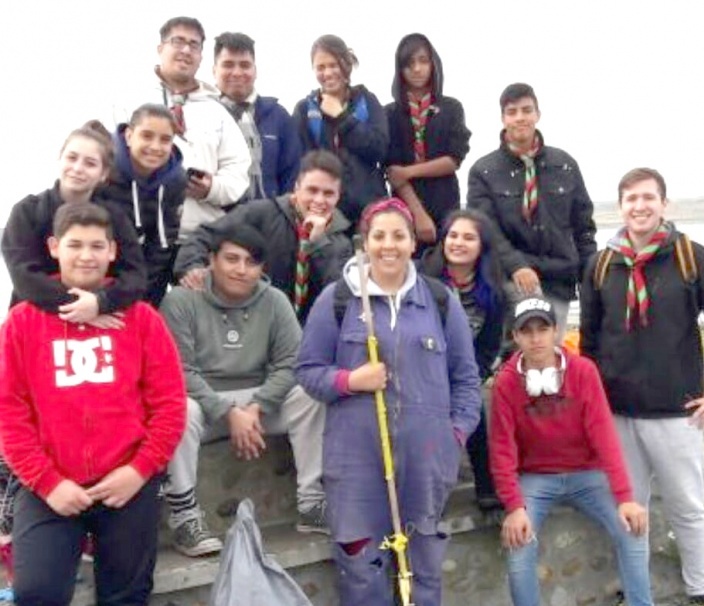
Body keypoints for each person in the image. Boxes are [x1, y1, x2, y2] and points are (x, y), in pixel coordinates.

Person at [295, 198, 482, 606]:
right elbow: (308, 370)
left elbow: (467, 379)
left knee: (424, 567)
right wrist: (350, 380)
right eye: (379, 236)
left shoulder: (440, 301)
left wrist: (454, 436)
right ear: (365, 242)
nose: (389, 246)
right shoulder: (338, 299)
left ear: (413, 242)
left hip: (426, 458)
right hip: (355, 458)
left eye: (399, 235)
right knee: (361, 566)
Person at [0, 203, 186, 606]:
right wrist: (49, 483)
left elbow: (170, 405)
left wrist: (139, 470)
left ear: (113, 252)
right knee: (37, 594)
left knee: (128, 595)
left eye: (97, 246)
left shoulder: (142, 319)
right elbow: (9, 416)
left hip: (126, 481)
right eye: (75, 244)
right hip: (51, 486)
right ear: (54, 247)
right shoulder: (21, 323)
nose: (86, 255)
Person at [580, 168, 704, 605]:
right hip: (618, 415)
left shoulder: (695, 258)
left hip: (678, 413)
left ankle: (701, 592)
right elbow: (591, 342)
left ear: (664, 204)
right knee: (629, 512)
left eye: (648, 197)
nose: (640, 206)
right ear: (620, 207)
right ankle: (638, 592)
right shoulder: (601, 265)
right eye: (631, 198)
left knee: (688, 510)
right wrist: (593, 406)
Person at [160, 224, 327, 557]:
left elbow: (291, 363)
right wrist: (227, 412)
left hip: (257, 402)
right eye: (231, 259)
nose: (240, 269)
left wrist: (256, 407)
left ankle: (312, 502)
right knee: (178, 408)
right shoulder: (180, 300)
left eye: (250, 262)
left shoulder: (275, 300)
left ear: (261, 268)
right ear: (212, 260)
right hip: (203, 403)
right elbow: (179, 370)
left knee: (312, 395)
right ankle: (184, 516)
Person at [490, 295, 653, 606]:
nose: (536, 338)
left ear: (556, 332)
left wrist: (625, 499)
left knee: (632, 529)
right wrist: (513, 506)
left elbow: (605, 436)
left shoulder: (583, 371)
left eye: (543, 328)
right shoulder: (507, 383)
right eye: (527, 331)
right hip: (535, 479)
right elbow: (501, 449)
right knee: (518, 543)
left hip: (587, 474)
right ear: (515, 337)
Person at [467, 83, 596, 340]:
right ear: (503, 119)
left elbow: (583, 226)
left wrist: (591, 277)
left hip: (557, 280)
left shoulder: (565, 165)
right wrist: (517, 266)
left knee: (550, 360)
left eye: (527, 110)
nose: (520, 118)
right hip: (511, 282)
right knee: (513, 362)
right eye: (512, 112)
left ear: (538, 114)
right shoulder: (483, 171)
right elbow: (486, 229)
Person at [174, 150, 352, 324]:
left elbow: (338, 297)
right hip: (255, 323)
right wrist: (192, 266)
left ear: (338, 196)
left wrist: (318, 243)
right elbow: (206, 235)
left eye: (328, 193)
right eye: (312, 190)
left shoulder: (342, 241)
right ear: (297, 187)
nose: (319, 200)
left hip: (310, 333)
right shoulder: (263, 213)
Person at [114, 16, 250, 238]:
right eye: (177, 42)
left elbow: (238, 170)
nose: (186, 50)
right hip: (137, 234)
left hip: (200, 238)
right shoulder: (128, 101)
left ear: (201, 56)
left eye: (194, 45)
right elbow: (108, 157)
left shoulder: (217, 111)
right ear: (160, 48)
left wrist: (211, 188)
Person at [1, 120, 146, 321]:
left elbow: (135, 276)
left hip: (106, 319)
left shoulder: (116, 217)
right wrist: (78, 307)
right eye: (71, 158)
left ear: (103, 174)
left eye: (90, 163)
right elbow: (23, 275)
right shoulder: (27, 212)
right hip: (35, 318)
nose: (78, 168)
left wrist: (100, 302)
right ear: (59, 159)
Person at [419, 208, 505, 510]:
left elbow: (488, 347)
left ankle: (487, 488)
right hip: (419, 371)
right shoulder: (420, 279)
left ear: (482, 246)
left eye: (469, 237)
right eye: (453, 235)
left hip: (461, 374)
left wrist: (469, 379)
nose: (458, 243)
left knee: (474, 411)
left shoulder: (494, 292)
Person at [385, 33, 471, 249]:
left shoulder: (452, 108)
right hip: (404, 206)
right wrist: (419, 215)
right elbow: (394, 172)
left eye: (423, 61)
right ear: (400, 69)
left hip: (446, 200)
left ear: (434, 64)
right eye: (409, 63)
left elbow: (453, 159)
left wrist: (409, 172)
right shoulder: (390, 113)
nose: (417, 69)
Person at [292, 34, 388, 225]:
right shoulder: (304, 110)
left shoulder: (368, 102)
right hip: (324, 212)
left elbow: (379, 150)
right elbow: (299, 164)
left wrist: (343, 118)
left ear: (346, 65)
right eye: (320, 67)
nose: (327, 73)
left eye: (333, 65)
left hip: (368, 210)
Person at [104, 103, 186, 306]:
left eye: (165, 140)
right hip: (100, 269)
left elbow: (163, 242)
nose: (156, 147)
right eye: (147, 136)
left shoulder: (175, 180)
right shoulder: (104, 169)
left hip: (144, 275)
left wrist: (137, 289)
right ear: (129, 136)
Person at [213, 32, 303, 201]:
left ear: (255, 71)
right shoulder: (203, 115)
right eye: (228, 64)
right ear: (214, 70)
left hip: (268, 219)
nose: (237, 72)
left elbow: (292, 174)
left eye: (245, 65)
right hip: (215, 220)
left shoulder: (278, 116)